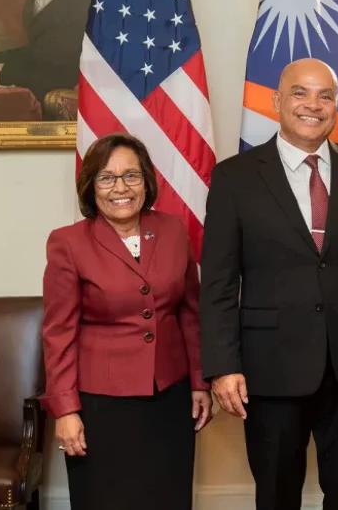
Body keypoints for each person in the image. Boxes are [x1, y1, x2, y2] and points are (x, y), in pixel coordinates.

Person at [200, 58, 338, 510]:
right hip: (269, 368)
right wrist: (222, 365)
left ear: (337, 105)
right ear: (277, 101)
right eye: (300, 93)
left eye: (325, 96)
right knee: (276, 494)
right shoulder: (235, 177)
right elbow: (218, 282)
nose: (312, 105)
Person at [41, 133, 211, 510]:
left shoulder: (172, 230)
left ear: (146, 182)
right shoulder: (68, 243)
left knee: (167, 498)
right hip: (101, 404)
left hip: (170, 398)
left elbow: (189, 312)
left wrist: (200, 382)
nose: (121, 187)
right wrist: (66, 410)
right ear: (91, 186)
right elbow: (59, 333)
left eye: (131, 176)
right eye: (107, 177)